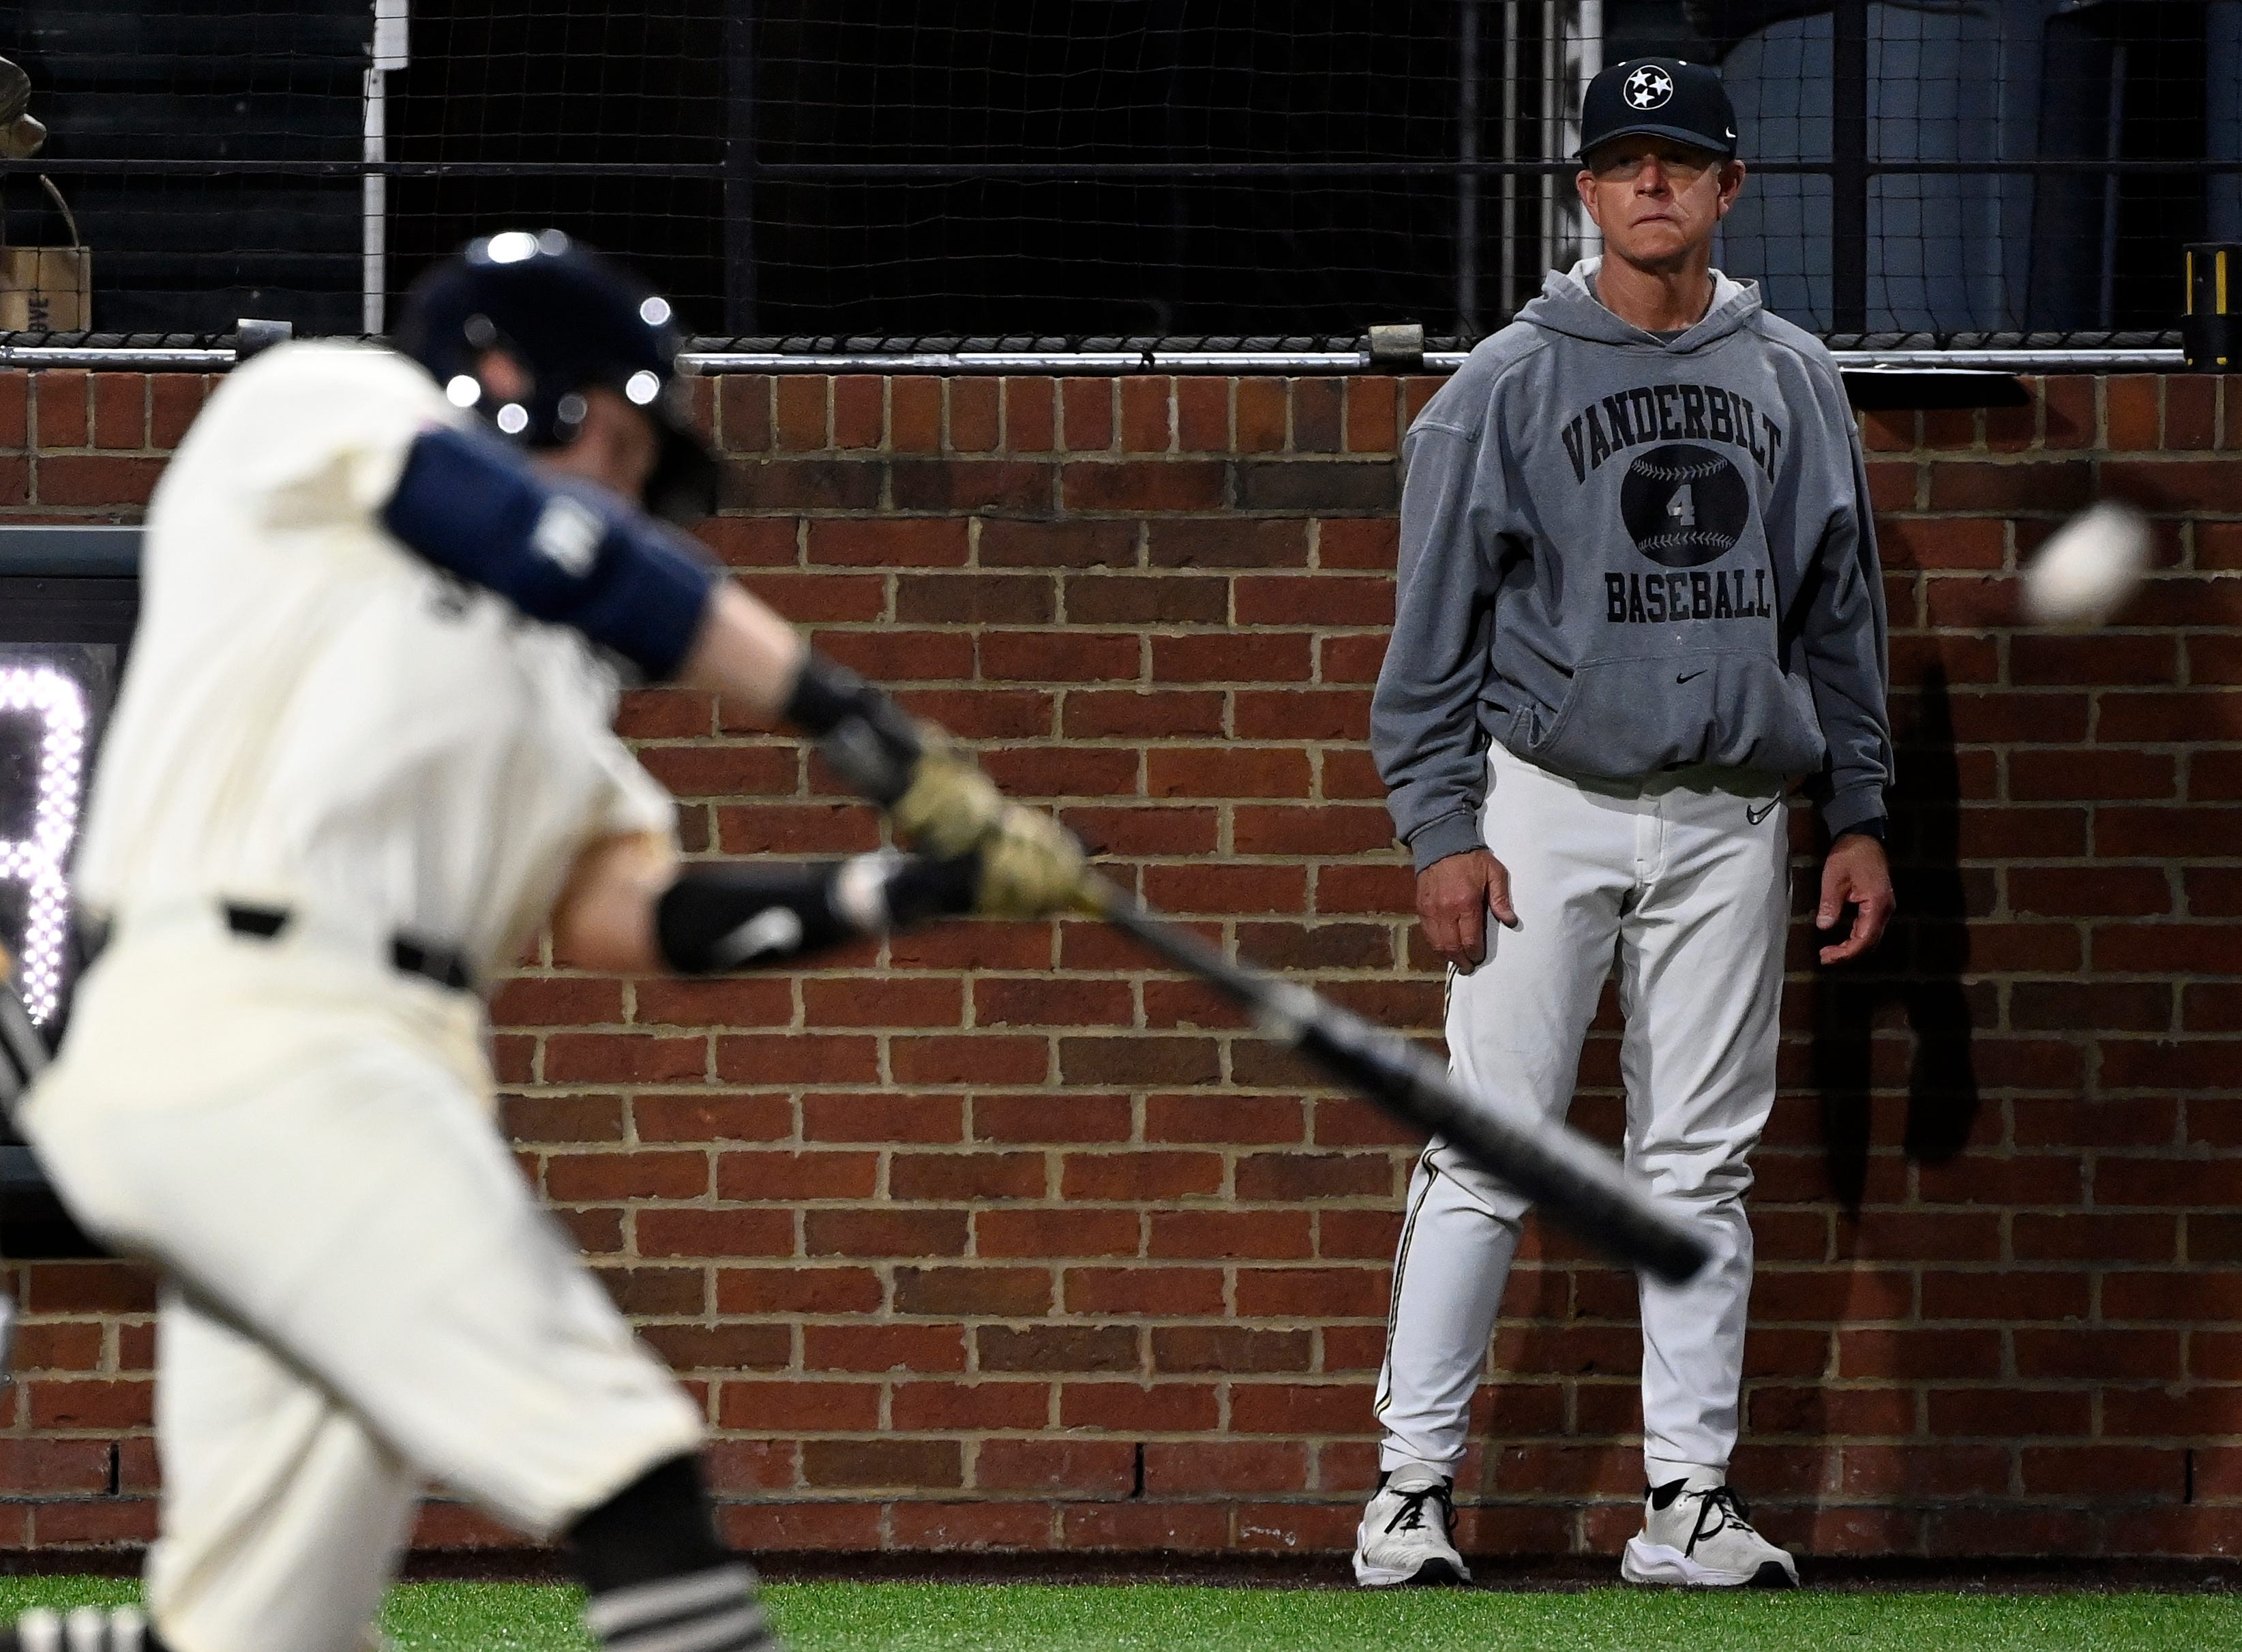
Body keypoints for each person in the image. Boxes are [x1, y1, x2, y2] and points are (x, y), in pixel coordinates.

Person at [4, 231, 1085, 1652]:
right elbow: (536, 532)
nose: (631, 494)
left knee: (259, 1637)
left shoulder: (547, 667)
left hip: (382, 1067)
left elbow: (620, 910)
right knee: (627, 1470)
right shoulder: (321, 410)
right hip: (250, 1023)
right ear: (517, 380)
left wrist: (909, 888)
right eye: (624, 444)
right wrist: (858, 725)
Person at [1353, 59, 1894, 1591]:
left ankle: (1688, 1502)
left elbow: (1840, 615)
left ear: (1731, 189)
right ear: (1586, 192)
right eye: (1624, 161)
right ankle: (1409, 1491)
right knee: (1488, 1153)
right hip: (1547, 808)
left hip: (1733, 815)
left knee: (1701, 1168)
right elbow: (1429, 643)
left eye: (1684, 161)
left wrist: (1858, 810)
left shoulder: (1791, 373)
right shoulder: (1506, 382)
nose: (1653, 184)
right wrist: (1437, 826)